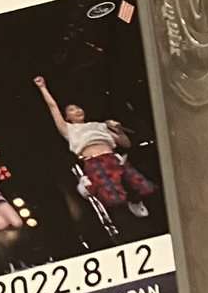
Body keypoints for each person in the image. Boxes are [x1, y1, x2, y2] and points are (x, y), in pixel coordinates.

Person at [33, 76, 154, 216]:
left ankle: (134, 201)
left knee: (144, 187)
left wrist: (119, 130)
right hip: (94, 161)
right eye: (72, 110)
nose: (77, 110)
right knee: (113, 198)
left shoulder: (100, 125)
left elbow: (126, 144)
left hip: (114, 158)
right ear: (67, 117)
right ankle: (89, 186)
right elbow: (53, 107)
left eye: (78, 108)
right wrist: (42, 87)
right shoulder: (68, 129)